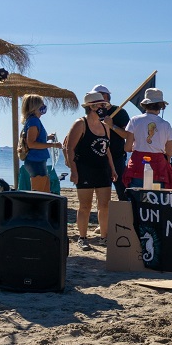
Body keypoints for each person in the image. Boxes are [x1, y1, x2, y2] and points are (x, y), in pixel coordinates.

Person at [65, 92, 118, 250]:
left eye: (104, 105)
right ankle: (82, 237)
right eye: (101, 105)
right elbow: (69, 148)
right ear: (92, 106)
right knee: (85, 206)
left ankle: (104, 237)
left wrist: (113, 169)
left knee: (104, 206)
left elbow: (107, 149)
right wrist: (74, 171)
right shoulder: (80, 124)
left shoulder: (105, 126)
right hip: (85, 170)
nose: (104, 108)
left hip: (102, 170)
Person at [113, 88, 172, 190]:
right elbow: (169, 152)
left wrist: (138, 147)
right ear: (161, 106)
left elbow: (127, 148)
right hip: (158, 167)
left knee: (136, 199)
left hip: (138, 165)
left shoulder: (135, 120)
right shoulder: (166, 125)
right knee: (156, 199)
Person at [89, 84, 130, 201]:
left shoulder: (119, 112)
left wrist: (112, 126)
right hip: (98, 157)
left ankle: (124, 217)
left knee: (122, 192)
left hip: (117, 157)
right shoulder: (94, 112)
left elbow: (127, 135)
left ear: (105, 96)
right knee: (101, 193)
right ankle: (104, 217)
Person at [20, 94, 62, 193]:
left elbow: (35, 139)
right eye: (41, 104)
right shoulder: (33, 121)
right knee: (38, 193)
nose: (43, 106)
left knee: (44, 191)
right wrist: (53, 145)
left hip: (37, 161)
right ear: (35, 106)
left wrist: (48, 138)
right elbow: (32, 143)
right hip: (35, 161)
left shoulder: (32, 121)